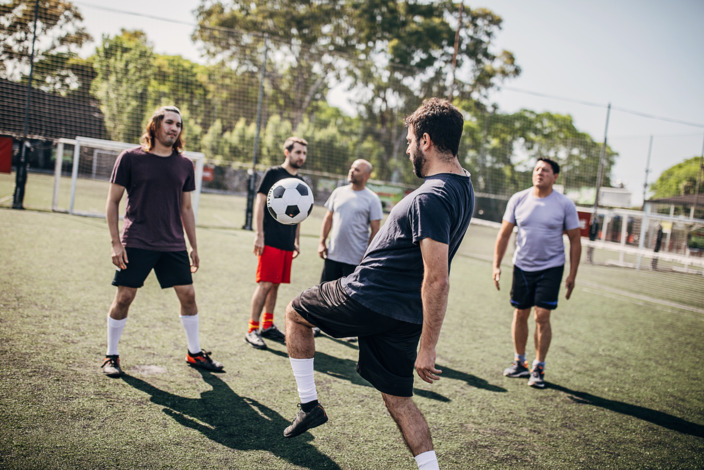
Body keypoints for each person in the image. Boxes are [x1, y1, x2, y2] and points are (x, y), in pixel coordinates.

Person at [282, 98, 474, 470]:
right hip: (402, 314)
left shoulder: (431, 197)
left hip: (367, 296)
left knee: (295, 312)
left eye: (409, 140)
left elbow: (438, 279)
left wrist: (428, 347)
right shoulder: (463, 185)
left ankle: (309, 406)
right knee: (399, 400)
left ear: (426, 141)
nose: (407, 148)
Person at [102, 105, 223, 378]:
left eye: (178, 125)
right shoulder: (130, 158)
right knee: (124, 297)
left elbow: (187, 209)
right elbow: (112, 202)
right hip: (137, 240)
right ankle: (111, 355)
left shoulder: (184, 164)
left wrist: (194, 246)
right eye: (169, 122)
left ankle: (194, 353)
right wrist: (115, 243)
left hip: (173, 244)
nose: (174, 128)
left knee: (189, 296)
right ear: (155, 125)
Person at [492, 157, 581, 389]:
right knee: (520, 313)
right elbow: (504, 234)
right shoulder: (518, 199)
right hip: (522, 266)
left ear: (555, 177)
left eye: (546, 170)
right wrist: (496, 265)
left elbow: (575, 240)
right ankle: (520, 362)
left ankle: (538, 367)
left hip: (551, 267)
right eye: (537, 169)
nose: (540, 173)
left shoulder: (564, 204)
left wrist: (572, 275)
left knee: (542, 315)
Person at [245, 136, 308, 350]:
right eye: (298, 152)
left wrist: (296, 240)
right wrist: (259, 234)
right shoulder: (273, 174)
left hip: (287, 242)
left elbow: (300, 214)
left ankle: (268, 325)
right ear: (287, 152)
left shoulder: (301, 182)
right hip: (270, 238)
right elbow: (260, 203)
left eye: (304, 153)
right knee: (265, 284)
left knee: (275, 285)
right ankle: (252, 329)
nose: (301, 156)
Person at [314, 159, 384, 339]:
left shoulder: (372, 199)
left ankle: (349, 330)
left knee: (350, 296)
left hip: (356, 258)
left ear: (366, 176)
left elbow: (376, 230)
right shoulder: (338, 192)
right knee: (324, 291)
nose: (352, 171)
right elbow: (328, 218)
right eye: (352, 168)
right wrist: (322, 241)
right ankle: (318, 324)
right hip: (333, 252)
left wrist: (368, 255)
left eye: (357, 170)